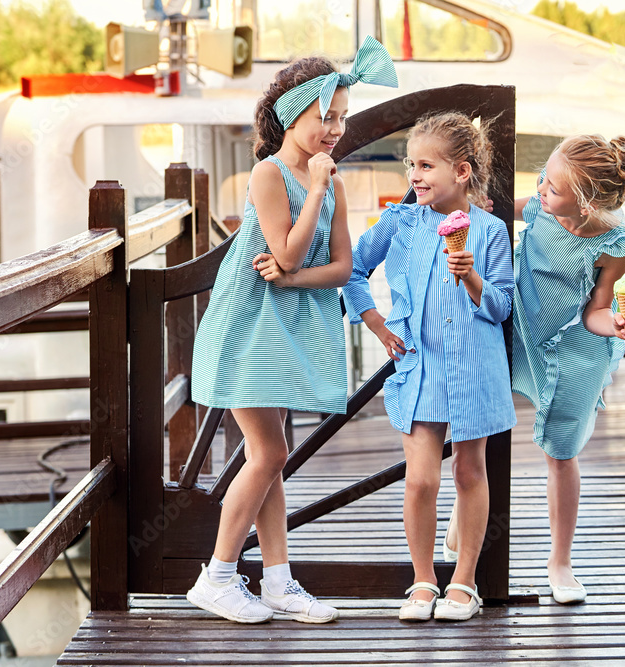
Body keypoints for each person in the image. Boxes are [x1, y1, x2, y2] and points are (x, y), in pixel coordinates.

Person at [187, 36, 398, 624]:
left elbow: (337, 267)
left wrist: (292, 279)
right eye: (323, 117)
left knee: (269, 457)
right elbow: (289, 246)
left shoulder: (329, 179)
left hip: (288, 324)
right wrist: (316, 196)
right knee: (271, 450)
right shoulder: (269, 173)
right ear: (290, 115)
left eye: (340, 118)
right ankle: (218, 575)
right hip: (250, 326)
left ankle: (278, 581)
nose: (334, 129)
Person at [334, 111, 516, 622]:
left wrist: (473, 278)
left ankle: (464, 581)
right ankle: (421, 580)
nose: (414, 175)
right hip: (419, 365)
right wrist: (376, 324)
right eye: (411, 164)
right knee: (420, 481)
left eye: (426, 165)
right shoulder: (400, 221)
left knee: (469, 470)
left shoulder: (490, 230)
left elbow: (502, 307)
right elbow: (353, 270)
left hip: (475, 366)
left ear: (461, 171)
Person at [452, 134, 625, 605]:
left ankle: (560, 561)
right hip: (518, 326)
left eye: (553, 188)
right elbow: (487, 206)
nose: (541, 190)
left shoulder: (616, 245)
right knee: (480, 425)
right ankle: (463, 522)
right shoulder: (541, 205)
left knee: (562, 452)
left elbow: (595, 311)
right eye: (543, 178)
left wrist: (620, 325)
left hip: (576, 345)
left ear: (585, 205)